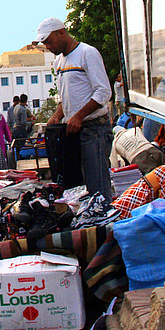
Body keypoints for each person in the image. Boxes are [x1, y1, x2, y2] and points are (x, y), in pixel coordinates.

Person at [35, 17, 115, 200]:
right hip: (73, 131)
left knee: (97, 187)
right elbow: (67, 96)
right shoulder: (60, 62)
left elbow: (103, 92)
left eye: (49, 41)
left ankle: (103, 224)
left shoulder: (87, 53)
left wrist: (79, 116)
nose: (47, 46)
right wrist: (58, 115)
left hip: (94, 129)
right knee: (76, 188)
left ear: (61, 33)